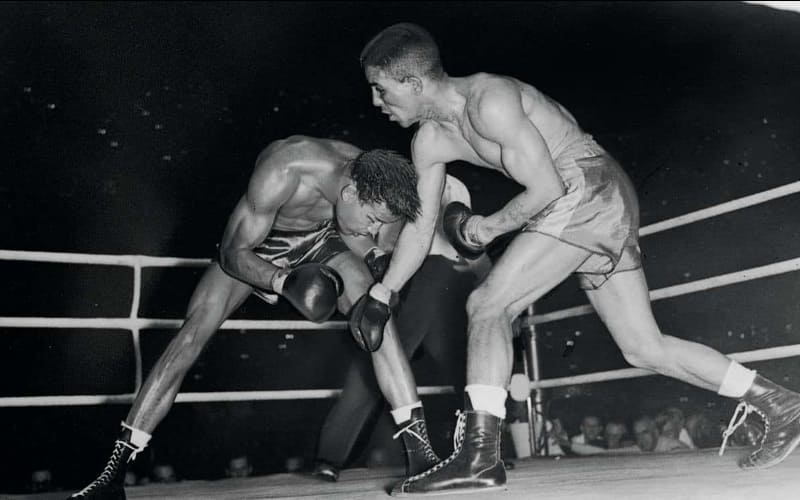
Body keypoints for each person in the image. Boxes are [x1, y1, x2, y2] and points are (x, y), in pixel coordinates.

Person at [354, 23, 800, 495]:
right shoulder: (428, 143)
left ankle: (480, 458)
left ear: (413, 83)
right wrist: (383, 294)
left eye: (381, 89)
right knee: (643, 347)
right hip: (588, 202)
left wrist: (487, 228)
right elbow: (420, 226)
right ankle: (781, 404)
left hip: (586, 188)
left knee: (488, 304)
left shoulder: (490, 101)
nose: (377, 102)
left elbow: (548, 188)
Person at [67, 135, 439, 499]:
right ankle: (112, 474)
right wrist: (283, 281)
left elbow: (358, 229)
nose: (374, 229)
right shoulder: (285, 168)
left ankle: (422, 457)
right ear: (349, 193)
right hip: (258, 246)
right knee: (190, 336)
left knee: (376, 322)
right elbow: (233, 253)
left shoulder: (370, 176)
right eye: (373, 220)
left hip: (323, 239)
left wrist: (375, 259)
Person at [312, 175, 490, 481]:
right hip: (400, 276)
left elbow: (470, 247)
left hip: (439, 278)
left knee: (456, 363)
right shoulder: (395, 185)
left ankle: (481, 450)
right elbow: (366, 237)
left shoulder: (452, 186)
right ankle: (330, 456)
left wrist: (491, 289)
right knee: (381, 358)